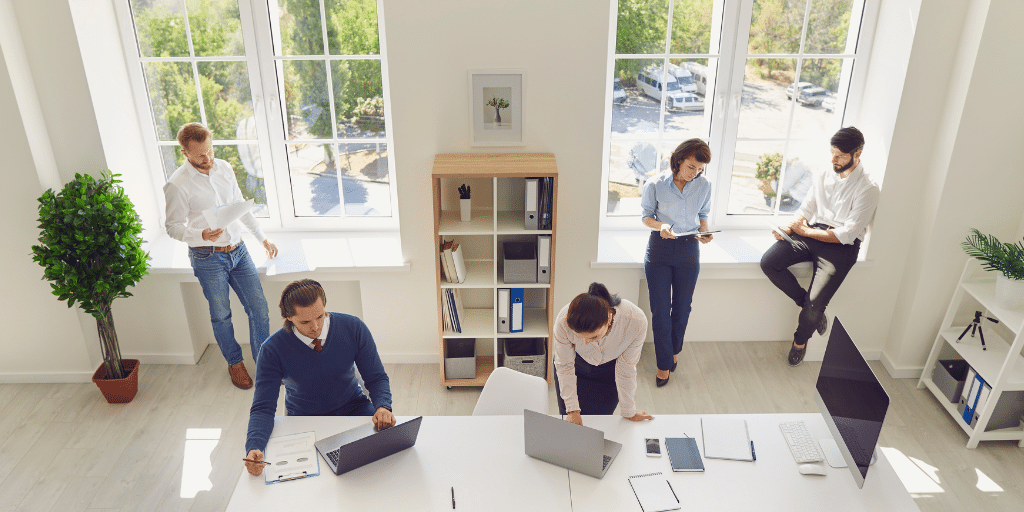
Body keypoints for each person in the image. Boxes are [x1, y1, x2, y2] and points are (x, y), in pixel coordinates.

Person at [164, 122, 278, 390]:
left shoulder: (224, 168)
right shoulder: (177, 185)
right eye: (200, 155)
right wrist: (200, 235)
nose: (208, 158)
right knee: (221, 314)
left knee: (259, 309)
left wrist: (261, 237)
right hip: (208, 258)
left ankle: (264, 365)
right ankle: (234, 363)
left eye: (210, 150)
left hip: (238, 250)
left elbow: (240, 208)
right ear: (185, 153)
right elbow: (172, 228)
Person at [244, 279, 395, 476]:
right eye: (305, 322)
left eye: (320, 316)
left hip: (355, 409)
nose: (315, 327)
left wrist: (383, 406)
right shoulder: (272, 350)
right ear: (288, 316)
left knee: (383, 468)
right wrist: (254, 446)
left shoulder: (353, 327)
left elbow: (376, 378)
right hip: (305, 421)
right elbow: (263, 408)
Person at [760, 127, 879, 367]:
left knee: (816, 306)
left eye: (840, 155)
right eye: (832, 153)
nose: (833, 159)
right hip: (812, 232)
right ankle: (809, 308)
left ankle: (800, 342)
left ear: (858, 154)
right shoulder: (825, 173)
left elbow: (848, 234)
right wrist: (790, 227)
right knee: (769, 263)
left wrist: (805, 231)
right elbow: (806, 209)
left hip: (840, 246)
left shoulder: (868, 187)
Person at [640, 138, 714, 387]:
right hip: (660, 248)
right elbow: (646, 217)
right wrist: (661, 225)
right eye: (691, 167)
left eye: (700, 170)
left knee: (682, 308)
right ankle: (663, 365)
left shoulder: (703, 186)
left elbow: (703, 215)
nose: (695, 174)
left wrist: (705, 232)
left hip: (688, 249)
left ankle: (673, 351)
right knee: (660, 311)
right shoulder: (655, 184)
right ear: (679, 159)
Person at [553, 282, 652, 426]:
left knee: (599, 423)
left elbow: (626, 369)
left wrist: (629, 411)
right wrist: (572, 410)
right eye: (579, 337)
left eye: (593, 337)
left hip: (609, 373)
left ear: (609, 318)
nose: (585, 343)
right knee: (571, 424)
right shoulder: (563, 320)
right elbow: (565, 366)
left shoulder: (635, 321)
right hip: (575, 367)